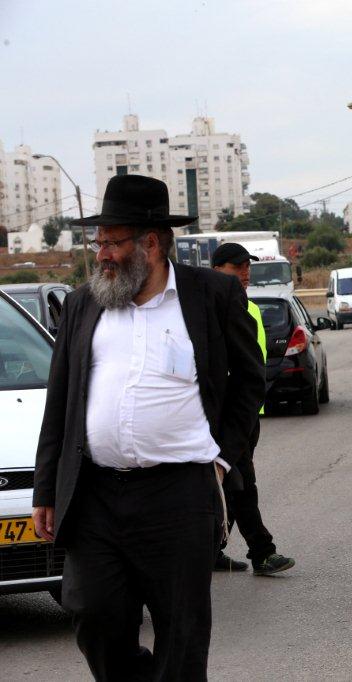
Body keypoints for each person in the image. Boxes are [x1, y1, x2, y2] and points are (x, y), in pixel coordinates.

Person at [32, 175, 265, 681]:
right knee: (92, 613)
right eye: (99, 243)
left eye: (113, 242)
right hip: (95, 493)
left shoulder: (212, 295)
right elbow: (61, 401)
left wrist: (224, 458)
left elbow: (250, 379)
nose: (103, 255)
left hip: (178, 493)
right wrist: (46, 487)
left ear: (152, 243)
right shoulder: (83, 304)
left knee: (182, 631)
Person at [211, 242, 296, 576]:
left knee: (235, 483)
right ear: (217, 270)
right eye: (237, 268)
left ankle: (213, 550)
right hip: (223, 417)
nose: (245, 273)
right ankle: (262, 551)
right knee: (241, 482)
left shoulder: (251, 309)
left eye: (247, 267)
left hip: (249, 413)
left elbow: (254, 362)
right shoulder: (207, 308)